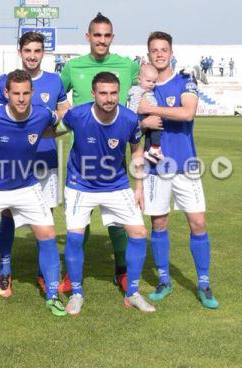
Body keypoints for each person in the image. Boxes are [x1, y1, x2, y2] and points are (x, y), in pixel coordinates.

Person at [0, 70, 65, 320]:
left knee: (48, 234)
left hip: (26, 185)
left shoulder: (42, 114)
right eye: (15, 93)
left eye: (25, 93)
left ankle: (53, 295)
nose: (20, 99)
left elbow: (61, 122)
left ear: (32, 93)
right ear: (6, 93)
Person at [59, 12, 149, 293]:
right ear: (88, 37)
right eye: (96, 35)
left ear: (112, 37)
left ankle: (122, 271)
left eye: (106, 35)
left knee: (119, 222)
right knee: (79, 222)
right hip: (81, 156)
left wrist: (145, 113)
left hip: (114, 153)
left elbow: (146, 85)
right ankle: (72, 277)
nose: (101, 40)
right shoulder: (73, 67)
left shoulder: (126, 66)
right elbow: (56, 96)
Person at [59, 72, 154, 315]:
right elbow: (51, 129)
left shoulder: (130, 119)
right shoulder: (77, 115)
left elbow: (136, 150)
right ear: (93, 94)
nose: (109, 98)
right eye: (103, 93)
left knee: (139, 232)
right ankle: (77, 293)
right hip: (80, 184)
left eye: (113, 93)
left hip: (117, 185)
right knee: (74, 237)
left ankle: (132, 292)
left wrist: (139, 187)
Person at [137, 31, 219, 309]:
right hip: (155, 167)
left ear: (171, 53)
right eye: (154, 50)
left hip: (185, 165)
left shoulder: (185, 80)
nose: (159, 54)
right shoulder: (142, 88)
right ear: (148, 54)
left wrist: (153, 110)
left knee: (198, 223)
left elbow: (187, 113)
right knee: (159, 223)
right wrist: (143, 120)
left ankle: (204, 284)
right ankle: (163, 280)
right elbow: (132, 122)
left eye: (163, 50)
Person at [0, 31, 68, 297]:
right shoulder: (5, 82)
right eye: (28, 51)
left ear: (43, 53)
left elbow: (64, 117)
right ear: (20, 52)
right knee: (7, 216)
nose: (32, 56)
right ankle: (5, 269)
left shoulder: (54, 81)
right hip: (12, 163)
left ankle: (42, 273)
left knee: (45, 219)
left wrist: (44, 134)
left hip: (45, 160)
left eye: (37, 51)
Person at [128, 64, 163, 163]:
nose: (151, 84)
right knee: (156, 128)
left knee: (151, 132)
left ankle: (149, 150)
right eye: (148, 81)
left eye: (154, 82)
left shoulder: (150, 91)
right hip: (139, 116)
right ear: (139, 80)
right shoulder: (137, 90)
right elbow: (134, 104)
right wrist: (134, 118)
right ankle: (155, 148)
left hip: (148, 114)